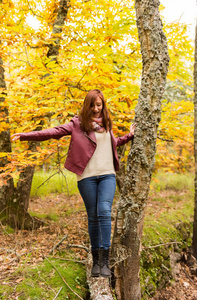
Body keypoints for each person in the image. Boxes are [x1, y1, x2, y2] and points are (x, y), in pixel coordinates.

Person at [12, 89, 136, 278]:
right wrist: (27, 135)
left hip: (107, 175)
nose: (96, 109)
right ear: (87, 105)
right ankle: (96, 262)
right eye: (93, 105)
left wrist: (129, 136)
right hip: (86, 177)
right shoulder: (77, 124)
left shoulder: (108, 124)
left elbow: (111, 143)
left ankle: (105, 262)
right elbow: (53, 132)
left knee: (103, 211)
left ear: (103, 105)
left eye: (99, 105)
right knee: (93, 216)